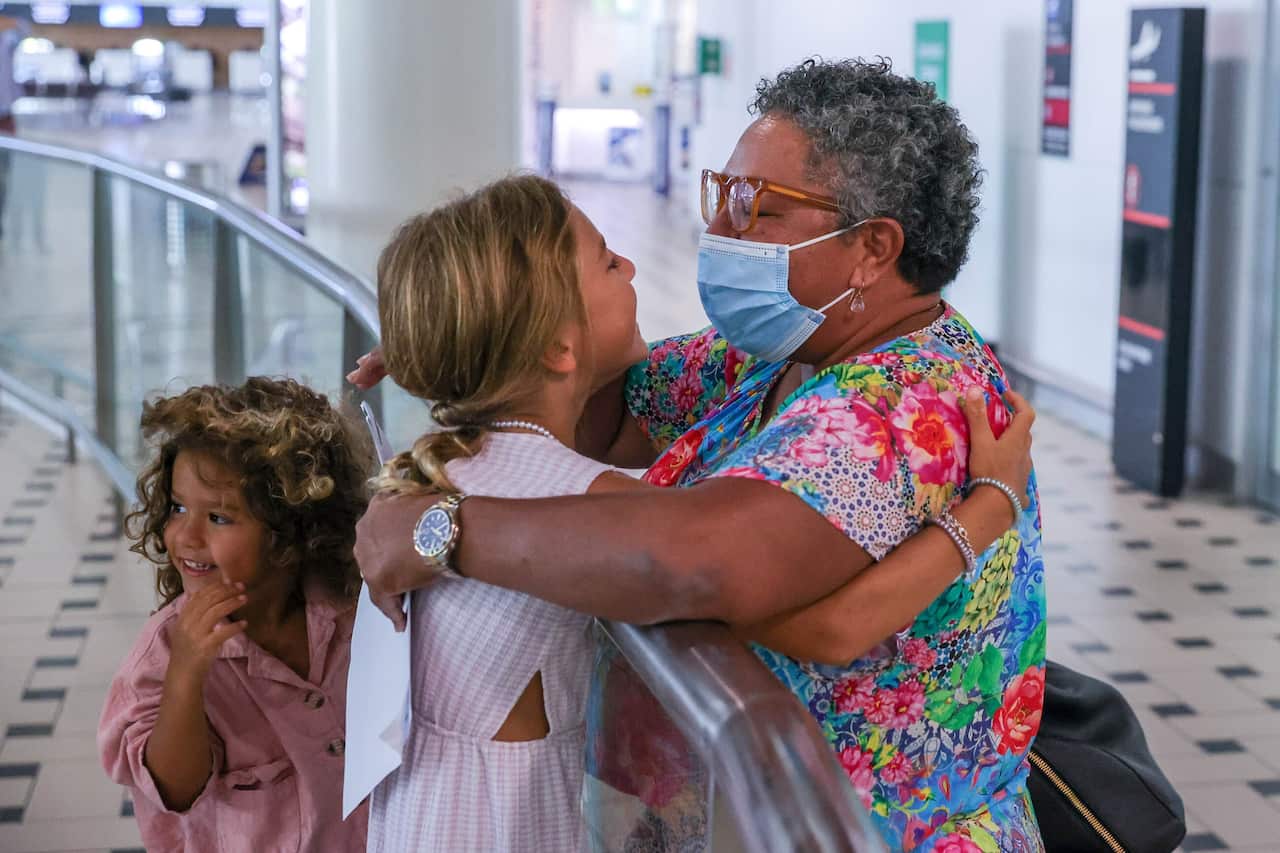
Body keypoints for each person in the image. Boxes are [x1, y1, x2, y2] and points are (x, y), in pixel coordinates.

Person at [352, 58, 1045, 851]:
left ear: (872, 248)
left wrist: (440, 531)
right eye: (724, 194)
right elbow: (600, 410)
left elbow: (691, 562)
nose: (719, 229)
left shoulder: (908, 406)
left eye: (755, 207)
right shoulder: (779, 352)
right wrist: (468, 333)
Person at [98, 377, 374, 852]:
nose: (185, 536)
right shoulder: (165, 651)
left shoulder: (355, 613)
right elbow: (175, 789)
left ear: (292, 532)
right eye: (179, 507)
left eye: (219, 517)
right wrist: (186, 674)